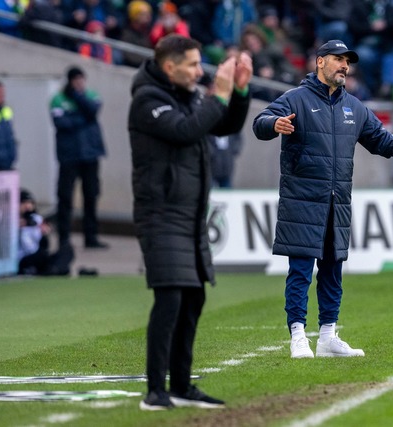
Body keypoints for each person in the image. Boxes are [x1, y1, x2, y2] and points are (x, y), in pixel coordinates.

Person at [252, 40, 393, 359]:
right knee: (300, 270)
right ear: (319, 63)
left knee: (332, 270)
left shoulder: (354, 107)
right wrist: (274, 124)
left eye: (347, 61)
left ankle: (328, 336)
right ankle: (298, 335)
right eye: (337, 60)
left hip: (336, 203)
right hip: (302, 202)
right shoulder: (295, 99)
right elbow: (261, 123)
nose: (344, 65)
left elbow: (382, 141)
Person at [128, 34, 252, 410]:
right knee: (170, 298)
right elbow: (187, 131)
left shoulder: (185, 95)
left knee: (193, 297)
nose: (201, 71)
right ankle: (155, 391)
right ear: (170, 67)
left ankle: (181, 385)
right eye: (194, 65)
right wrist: (219, 93)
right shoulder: (147, 100)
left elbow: (223, 126)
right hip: (160, 214)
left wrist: (240, 93)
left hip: (190, 214)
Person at [49, 66, 108, 250]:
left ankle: (91, 237)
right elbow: (61, 123)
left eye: (82, 79)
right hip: (69, 156)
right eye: (76, 80)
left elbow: (92, 111)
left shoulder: (90, 95)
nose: (79, 83)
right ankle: (64, 238)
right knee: (65, 197)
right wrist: (82, 119)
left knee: (91, 195)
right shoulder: (58, 99)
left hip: (90, 154)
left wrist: (78, 99)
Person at [18, 188, 74, 276]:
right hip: (24, 258)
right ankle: (54, 269)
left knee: (67, 250)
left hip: (38, 254)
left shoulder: (36, 219)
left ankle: (54, 269)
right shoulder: (13, 222)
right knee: (41, 256)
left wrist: (44, 233)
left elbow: (44, 245)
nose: (28, 206)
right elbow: (27, 247)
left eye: (30, 203)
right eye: (24, 203)